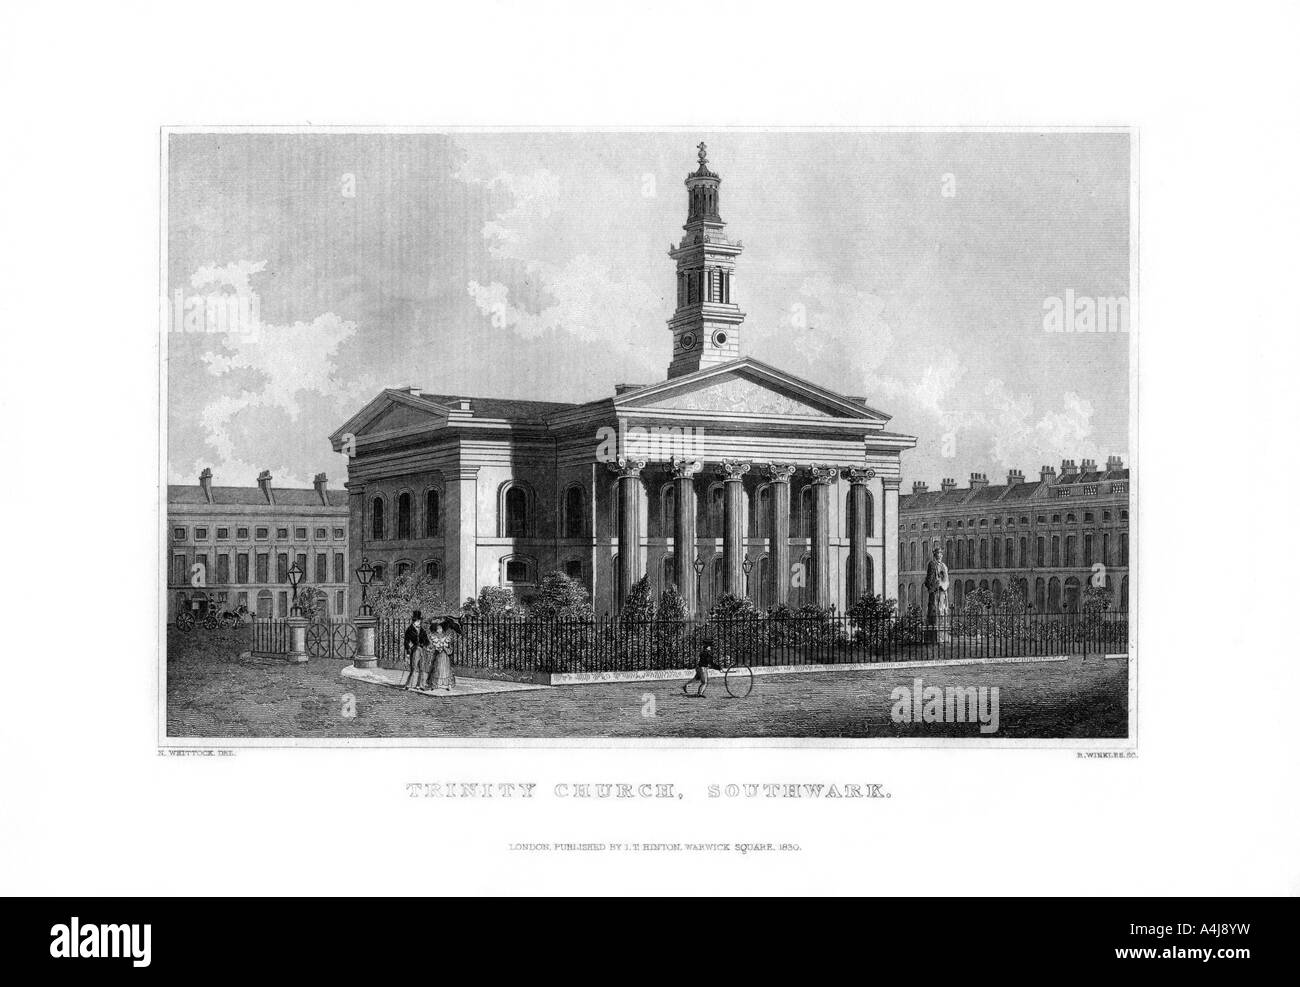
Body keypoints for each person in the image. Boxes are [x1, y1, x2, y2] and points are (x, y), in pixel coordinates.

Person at [427, 616, 457, 691]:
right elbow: (431, 646)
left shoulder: (447, 636)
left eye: (440, 628)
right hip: (438, 656)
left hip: (445, 657)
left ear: (443, 628)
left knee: (446, 671)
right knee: (437, 669)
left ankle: (448, 685)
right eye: (437, 629)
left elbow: (450, 649)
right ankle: (434, 684)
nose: (438, 630)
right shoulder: (433, 636)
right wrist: (434, 648)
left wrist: (444, 647)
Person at [402, 610, 431, 690]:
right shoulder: (409, 630)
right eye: (416, 621)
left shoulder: (422, 630)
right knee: (414, 667)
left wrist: (426, 645)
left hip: (422, 650)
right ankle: (409, 684)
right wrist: (408, 651)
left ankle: (420, 685)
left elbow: (426, 640)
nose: (418, 622)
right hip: (415, 650)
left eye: (419, 621)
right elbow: (406, 642)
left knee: (422, 667)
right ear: (413, 621)